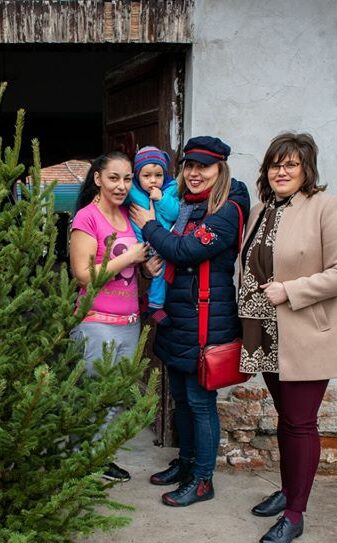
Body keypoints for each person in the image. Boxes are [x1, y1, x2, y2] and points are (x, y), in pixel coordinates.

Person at [237, 132, 337, 543]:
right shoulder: (259, 211)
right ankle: (288, 491)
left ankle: (295, 514)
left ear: (307, 169)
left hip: (306, 333)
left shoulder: (328, 207)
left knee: (301, 423)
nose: (281, 171)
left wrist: (291, 290)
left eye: (290, 164)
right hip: (266, 334)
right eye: (275, 164)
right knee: (286, 421)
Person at [129, 136, 251, 507]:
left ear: (220, 170)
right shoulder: (182, 204)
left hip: (206, 321)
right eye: (190, 166)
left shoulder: (227, 209)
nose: (195, 173)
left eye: (204, 167)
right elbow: (169, 255)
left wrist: (150, 227)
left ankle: (202, 479)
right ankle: (185, 464)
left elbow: (186, 250)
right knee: (181, 398)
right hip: (179, 316)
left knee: (200, 402)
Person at [69, 151, 160, 482]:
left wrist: (145, 267)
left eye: (126, 179)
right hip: (96, 324)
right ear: (98, 178)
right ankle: (82, 465)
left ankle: (100, 458)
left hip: (129, 324)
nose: (121, 186)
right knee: (92, 397)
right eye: (113, 178)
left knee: (114, 397)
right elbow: (83, 275)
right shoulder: (87, 218)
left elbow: (136, 264)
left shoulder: (128, 215)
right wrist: (129, 258)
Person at [125, 146, 182, 326]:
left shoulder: (170, 190)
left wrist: (161, 198)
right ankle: (136, 303)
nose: (153, 181)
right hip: (139, 242)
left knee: (160, 270)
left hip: (160, 241)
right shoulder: (131, 189)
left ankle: (155, 305)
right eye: (147, 175)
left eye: (158, 175)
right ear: (137, 175)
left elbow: (174, 213)